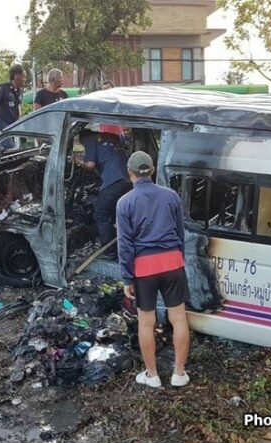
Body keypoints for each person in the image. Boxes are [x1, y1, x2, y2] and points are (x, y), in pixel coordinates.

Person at [116, 151, 191, 388]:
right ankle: (179, 374)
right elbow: (180, 233)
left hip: (144, 268)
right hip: (173, 263)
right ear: (153, 170)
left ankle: (152, 375)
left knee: (146, 323)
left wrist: (127, 277)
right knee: (178, 319)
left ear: (130, 173)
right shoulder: (171, 196)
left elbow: (125, 244)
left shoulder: (124, 202)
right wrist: (180, 260)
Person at [81, 128, 131, 258]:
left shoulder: (88, 139)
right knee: (118, 214)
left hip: (115, 180)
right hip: (129, 179)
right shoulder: (108, 136)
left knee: (100, 214)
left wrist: (78, 161)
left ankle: (109, 252)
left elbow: (90, 164)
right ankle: (123, 246)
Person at [0, 64, 26, 138]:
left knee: (15, 149)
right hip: (1, 128)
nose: (25, 79)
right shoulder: (3, 88)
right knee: (9, 148)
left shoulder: (19, 92)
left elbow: (18, 109)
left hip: (12, 129)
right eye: (24, 76)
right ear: (17, 76)